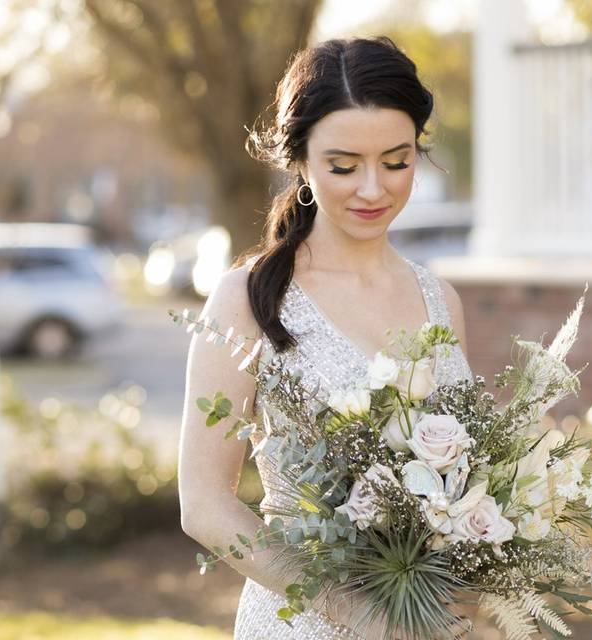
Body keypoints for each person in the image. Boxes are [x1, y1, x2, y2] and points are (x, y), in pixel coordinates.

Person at [177, 36, 474, 640]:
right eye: (344, 166)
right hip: (304, 624)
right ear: (301, 161)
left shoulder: (442, 300)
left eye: (396, 162)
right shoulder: (248, 300)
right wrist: (363, 615)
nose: (373, 189)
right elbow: (205, 505)